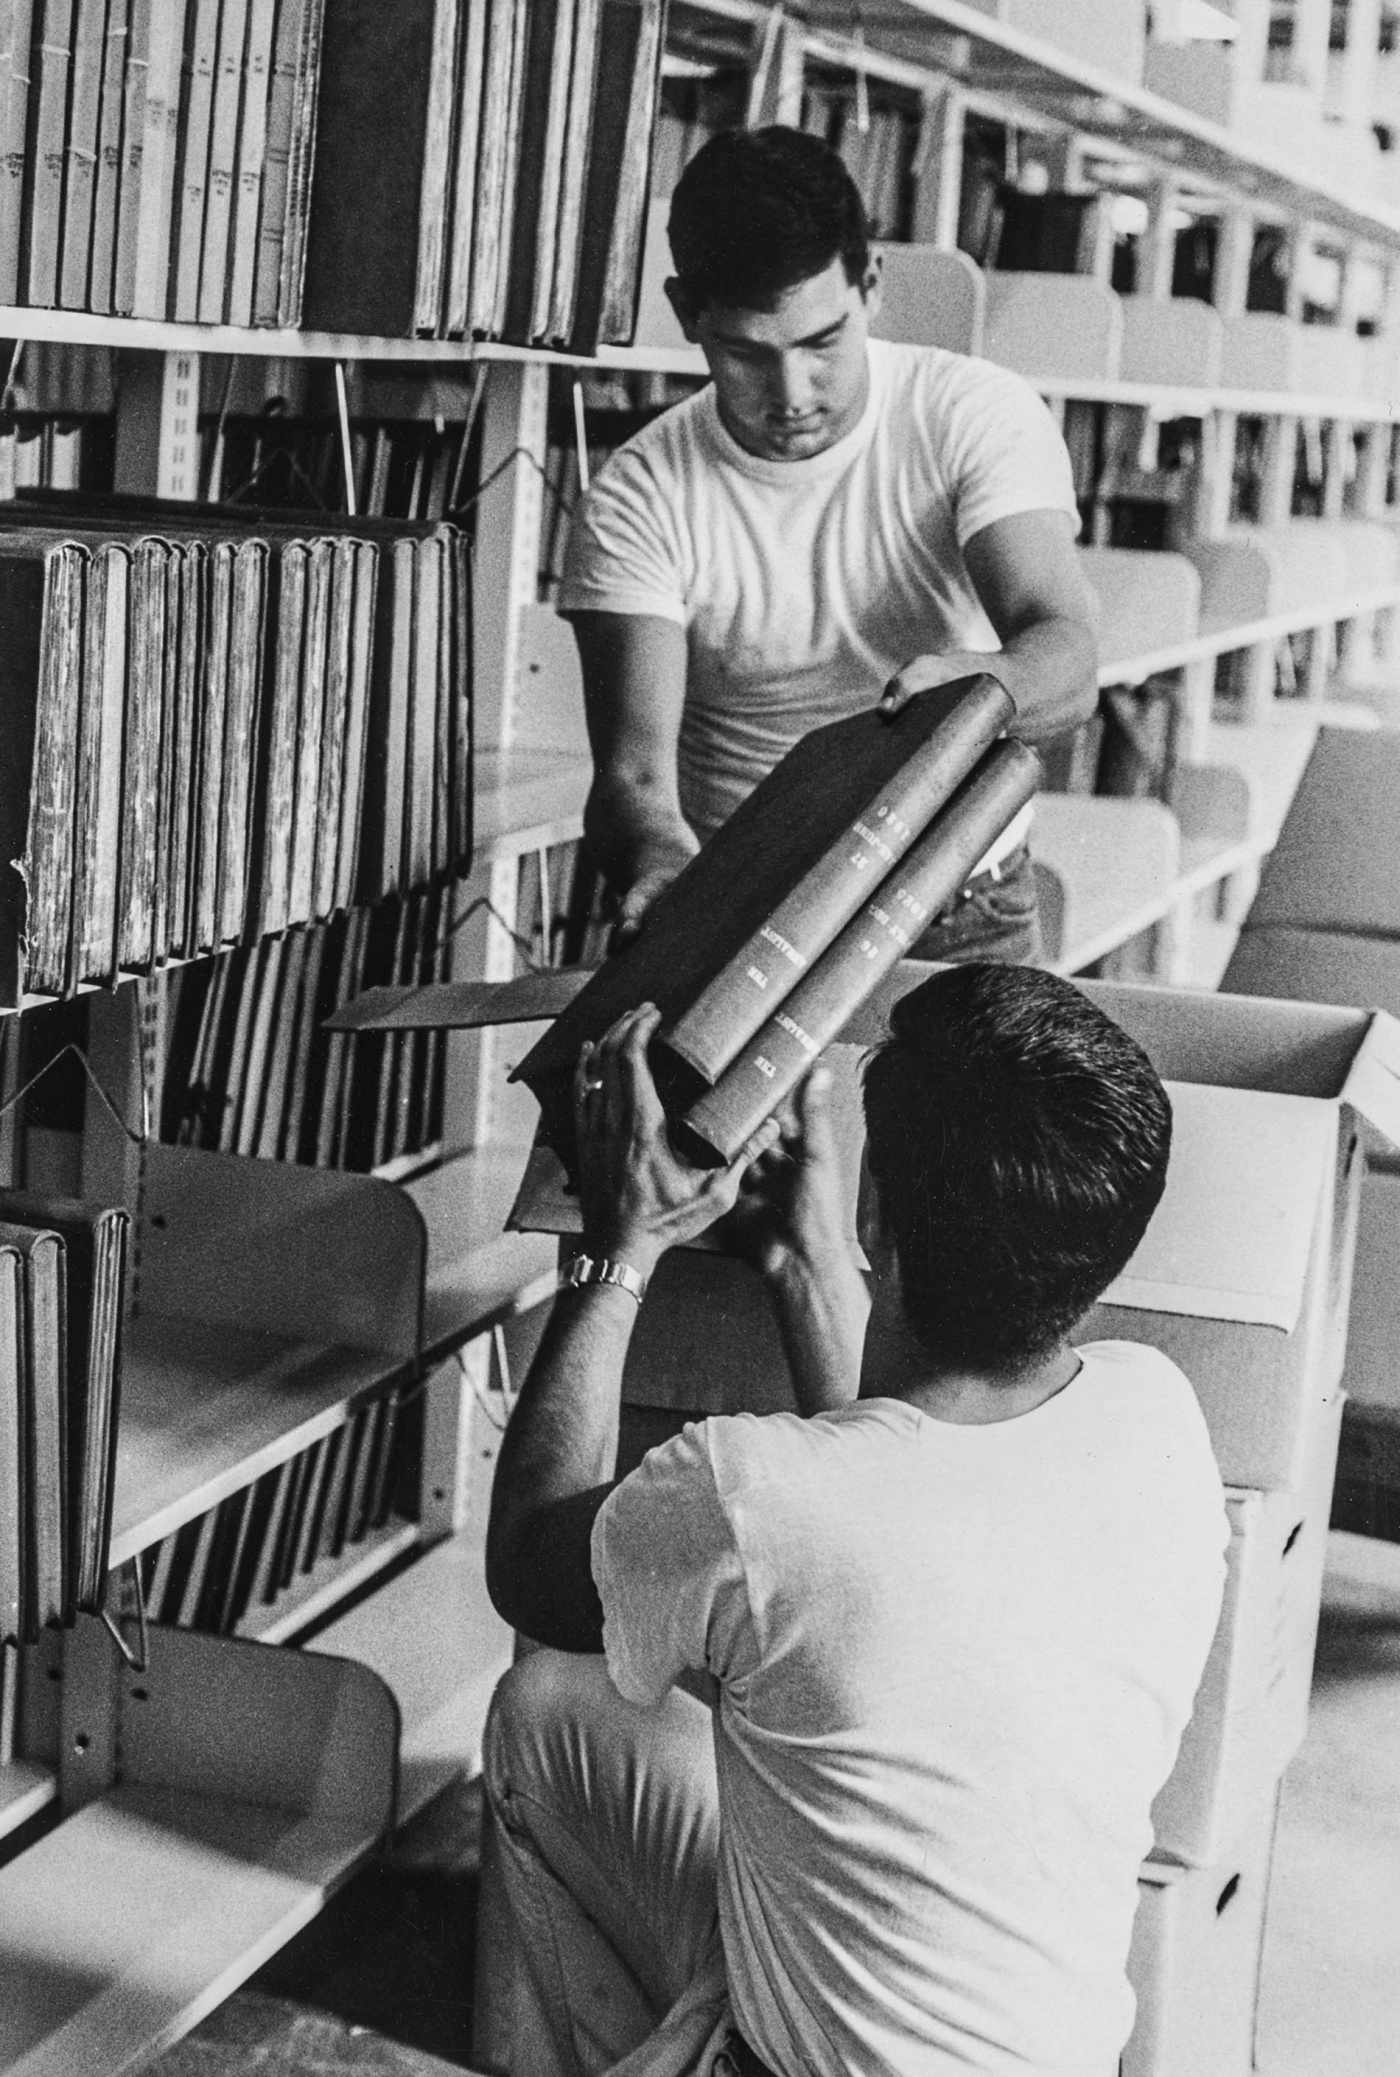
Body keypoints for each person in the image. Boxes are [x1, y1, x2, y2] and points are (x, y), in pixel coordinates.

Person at [480, 965, 1229, 2077]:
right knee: (578, 1716)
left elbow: (528, 1560)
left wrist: (616, 1241)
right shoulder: (1159, 1417)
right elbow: (895, 1519)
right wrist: (802, 1262)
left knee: (537, 1700)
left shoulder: (751, 1493)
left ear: (877, 1205)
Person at [557, 128, 1099, 966]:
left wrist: (991, 686)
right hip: (743, 906)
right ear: (685, 312)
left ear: (870, 284)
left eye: (821, 343)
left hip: (962, 897)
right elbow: (632, 781)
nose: (791, 395)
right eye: (745, 354)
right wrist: (659, 859)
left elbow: (1066, 655)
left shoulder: (971, 414)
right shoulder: (639, 494)